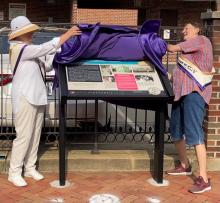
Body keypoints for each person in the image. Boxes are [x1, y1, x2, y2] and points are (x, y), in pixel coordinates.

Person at [8, 16, 81, 187]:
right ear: (19, 34)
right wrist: (67, 35)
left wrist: (58, 52)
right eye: (27, 32)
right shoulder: (19, 48)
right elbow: (45, 48)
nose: (31, 34)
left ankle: (30, 168)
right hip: (25, 97)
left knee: (34, 135)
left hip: (37, 96)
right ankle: (14, 172)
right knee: (24, 136)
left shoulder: (29, 49)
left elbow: (46, 65)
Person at [166, 22, 213, 194]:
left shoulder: (201, 40)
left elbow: (171, 48)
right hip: (180, 94)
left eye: (188, 27)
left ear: (197, 30)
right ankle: (185, 166)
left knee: (194, 133)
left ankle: (204, 178)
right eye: (184, 28)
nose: (184, 30)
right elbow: (179, 75)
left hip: (194, 94)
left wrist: (152, 41)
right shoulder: (189, 51)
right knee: (176, 131)